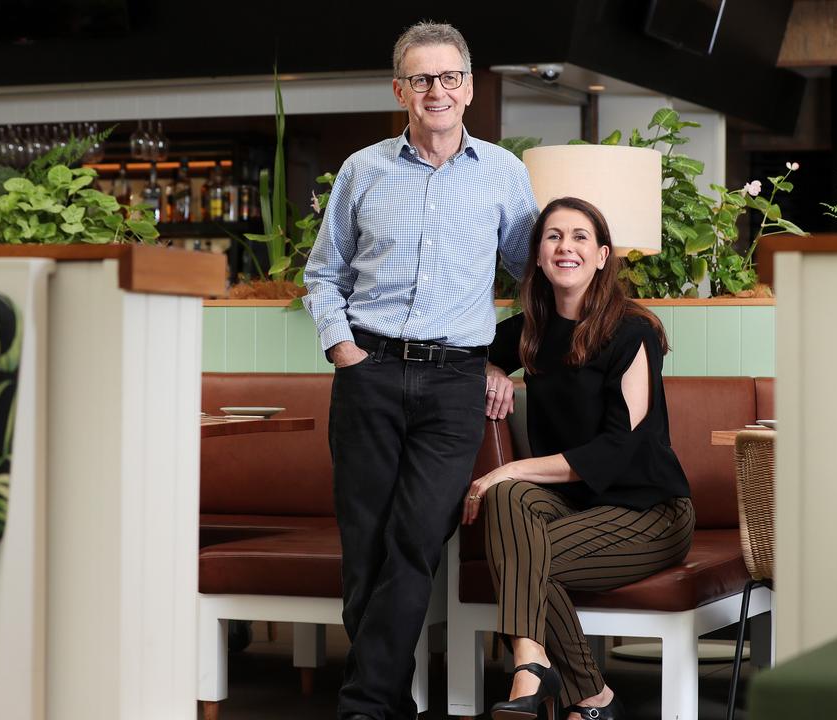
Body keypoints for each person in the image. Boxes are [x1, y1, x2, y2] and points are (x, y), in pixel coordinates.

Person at [302, 20, 537, 720]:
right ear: (399, 88)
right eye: (422, 78)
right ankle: (383, 704)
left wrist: (499, 361)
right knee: (366, 550)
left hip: (453, 385)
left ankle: (364, 706)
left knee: (414, 538)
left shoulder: (504, 173)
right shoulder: (362, 170)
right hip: (368, 373)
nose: (437, 90)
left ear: (469, 87)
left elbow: (535, 281)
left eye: (450, 77)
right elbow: (323, 274)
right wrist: (345, 352)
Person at [462, 197, 695, 720]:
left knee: (522, 546)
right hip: (576, 508)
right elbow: (464, 360)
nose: (565, 246)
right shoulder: (530, 331)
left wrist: (511, 466)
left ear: (602, 255)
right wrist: (492, 372)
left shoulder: (633, 333)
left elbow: (619, 447)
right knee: (510, 500)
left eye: (580, 237)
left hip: (649, 513)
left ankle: (566, 686)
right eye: (553, 237)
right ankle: (564, 679)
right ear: (539, 259)